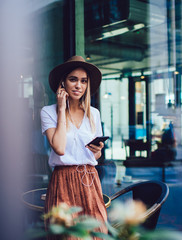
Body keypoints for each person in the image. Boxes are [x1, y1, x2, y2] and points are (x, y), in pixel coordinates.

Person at [40, 56, 107, 237]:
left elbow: (94, 157)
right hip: (63, 181)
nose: (79, 85)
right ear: (63, 82)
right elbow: (60, 148)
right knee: (67, 235)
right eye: (73, 79)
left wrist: (97, 151)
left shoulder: (93, 113)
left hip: (90, 180)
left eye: (83, 81)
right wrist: (62, 110)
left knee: (97, 232)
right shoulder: (48, 112)